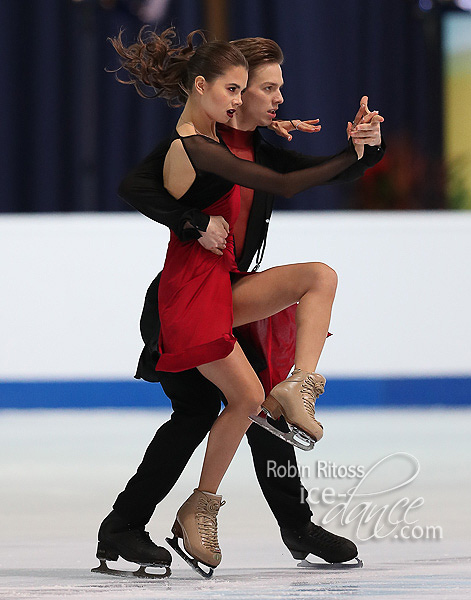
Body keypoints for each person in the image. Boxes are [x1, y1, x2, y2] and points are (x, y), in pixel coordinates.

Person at [96, 28, 384, 576]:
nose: (277, 98)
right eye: (263, 87)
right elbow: (134, 186)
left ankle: (291, 525)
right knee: (201, 412)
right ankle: (125, 527)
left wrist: (365, 147)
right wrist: (191, 220)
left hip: (226, 294)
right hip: (182, 302)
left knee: (262, 409)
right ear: (235, 89)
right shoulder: (199, 145)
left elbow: (321, 171)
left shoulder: (256, 145)